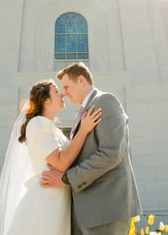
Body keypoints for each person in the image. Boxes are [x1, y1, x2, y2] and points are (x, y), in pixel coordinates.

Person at [42, 62, 142, 235]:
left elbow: (110, 154)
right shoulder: (81, 113)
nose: (64, 93)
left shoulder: (105, 101)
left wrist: (66, 179)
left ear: (81, 80)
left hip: (106, 210)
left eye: (67, 86)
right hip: (84, 210)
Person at [0, 79, 102, 235]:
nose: (62, 94)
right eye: (56, 92)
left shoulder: (51, 128)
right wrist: (83, 131)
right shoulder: (38, 124)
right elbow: (61, 163)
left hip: (57, 197)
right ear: (45, 101)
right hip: (46, 199)